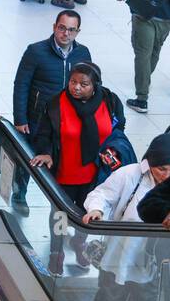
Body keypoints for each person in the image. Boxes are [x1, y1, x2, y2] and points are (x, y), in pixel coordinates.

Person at [80, 134, 170, 301]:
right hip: (119, 254)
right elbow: (102, 195)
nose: (167, 176)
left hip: (152, 260)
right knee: (109, 296)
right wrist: (96, 210)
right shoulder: (129, 175)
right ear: (151, 164)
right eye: (162, 169)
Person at [29, 62, 132, 270]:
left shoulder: (110, 101)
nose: (76, 87)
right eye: (73, 82)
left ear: (95, 85)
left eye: (83, 84)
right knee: (60, 213)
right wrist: (46, 153)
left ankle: (79, 241)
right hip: (65, 172)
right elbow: (44, 134)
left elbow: (118, 126)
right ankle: (56, 251)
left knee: (88, 209)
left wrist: (112, 148)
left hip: (95, 174)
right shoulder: (55, 104)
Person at [11, 10, 91, 209]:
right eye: (62, 28)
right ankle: (19, 193)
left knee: (60, 160)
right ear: (55, 27)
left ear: (77, 32)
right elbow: (21, 85)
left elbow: (90, 84)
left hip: (67, 121)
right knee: (27, 158)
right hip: (37, 118)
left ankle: (58, 203)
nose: (66, 33)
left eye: (71, 30)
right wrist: (20, 118)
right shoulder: (36, 51)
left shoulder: (83, 53)